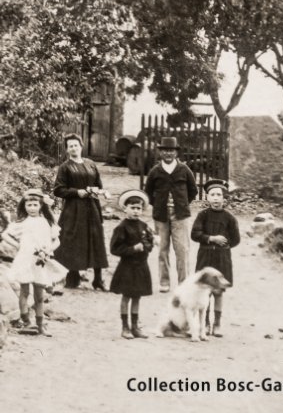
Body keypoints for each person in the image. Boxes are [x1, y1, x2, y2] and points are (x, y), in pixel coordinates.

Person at [1, 189, 67, 336]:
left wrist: (48, 249)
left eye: (35, 205)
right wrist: (18, 246)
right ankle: (26, 322)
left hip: (40, 261)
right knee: (24, 291)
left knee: (39, 294)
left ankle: (40, 323)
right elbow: (5, 234)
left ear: (41, 206)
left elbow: (56, 240)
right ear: (24, 206)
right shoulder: (22, 223)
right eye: (28, 205)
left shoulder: (46, 222)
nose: (31, 208)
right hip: (25, 260)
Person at [53, 133, 108, 290]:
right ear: (67, 149)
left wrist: (99, 192)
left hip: (92, 207)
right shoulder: (65, 167)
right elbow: (58, 190)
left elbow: (98, 184)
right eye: (70, 146)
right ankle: (73, 277)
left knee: (96, 239)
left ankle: (98, 279)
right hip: (74, 209)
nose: (73, 148)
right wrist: (77, 192)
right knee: (73, 241)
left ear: (81, 146)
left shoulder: (91, 164)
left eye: (76, 145)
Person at [145, 136, 198, 292]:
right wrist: (159, 205)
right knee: (162, 249)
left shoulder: (184, 170)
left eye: (171, 151)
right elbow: (148, 192)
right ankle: (164, 282)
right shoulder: (155, 171)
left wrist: (181, 204)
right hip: (161, 215)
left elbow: (193, 191)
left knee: (182, 249)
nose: (168, 154)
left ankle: (184, 283)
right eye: (165, 151)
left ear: (176, 153)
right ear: (161, 153)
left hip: (180, 215)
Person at [191, 179, 240, 337]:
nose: (216, 198)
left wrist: (224, 246)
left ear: (224, 198)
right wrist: (211, 239)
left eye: (219, 195)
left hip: (221, 257)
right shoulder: (202, 215)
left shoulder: (229, 218)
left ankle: (217, 323)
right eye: (212, 195)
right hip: (205, 255)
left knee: (219, 291)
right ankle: (204, 322)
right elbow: (195, 234)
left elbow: (236, 238)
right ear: (207, 197)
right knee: (204, 290)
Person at [110, 189, 154, 340]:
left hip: (141, 265)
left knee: (137, 296)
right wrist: (132, 249)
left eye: (139, 208)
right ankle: (125, 327)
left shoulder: (144, 226)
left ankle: (135, 327)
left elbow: (149, 243)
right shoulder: (122, 227)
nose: (136, 211)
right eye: (133, 208)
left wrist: (147, 246)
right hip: (127, 266)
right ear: (125, 208)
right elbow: (115, 249)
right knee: (126, 296)